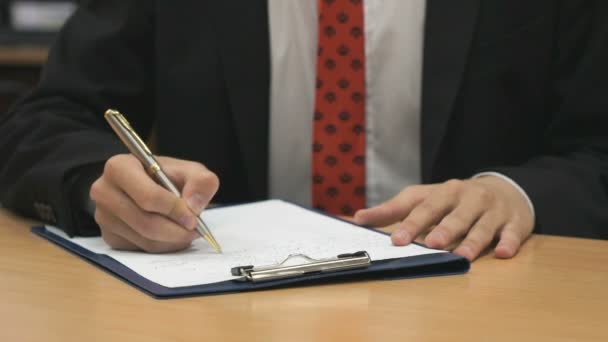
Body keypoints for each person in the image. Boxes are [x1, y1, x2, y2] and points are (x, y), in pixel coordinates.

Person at [1, 1, 607, 259]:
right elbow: (44, 121)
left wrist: (516, 194)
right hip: (224, 310)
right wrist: (97, 186)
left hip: (480, 302)